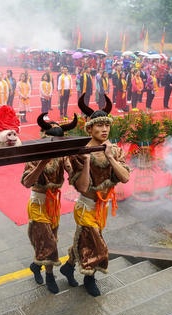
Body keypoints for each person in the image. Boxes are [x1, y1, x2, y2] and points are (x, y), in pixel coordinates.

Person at [60, 94, 130, 297]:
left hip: (103, 207)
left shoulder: (115, 151)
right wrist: (88, 161)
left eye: (106, 125)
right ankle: (90, 278)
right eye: (99, 126)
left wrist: (109, 156)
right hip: (85, 207)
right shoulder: (78, 154)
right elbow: (81, 188)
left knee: (84, 239)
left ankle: (68, 266)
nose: (104, 129)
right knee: (96, 244)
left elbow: (124, 178)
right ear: (89, 129)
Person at [22, 114, 76, 293]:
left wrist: (72, 166)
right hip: (38, 203)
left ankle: (36, 265)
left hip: (54, 205)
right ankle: (50, 276)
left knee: (47, 240)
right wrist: (42, 163)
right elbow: (27, 183)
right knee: (50, 243)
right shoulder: (34, 155)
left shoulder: (62, 156)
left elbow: (72, 171)